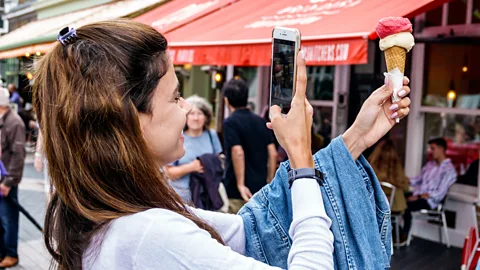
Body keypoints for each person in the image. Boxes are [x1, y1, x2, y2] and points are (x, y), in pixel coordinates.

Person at [33, 20, 410, 270]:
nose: (186, 111)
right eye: (175, 98)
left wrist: (356, 137)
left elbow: (250, 228)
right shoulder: (149, 235)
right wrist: (301, 161)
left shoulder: (114, 215)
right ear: (132, 118)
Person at [222, 79, 278, 213]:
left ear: (226, 100)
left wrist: (240, 184)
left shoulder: (230, 122)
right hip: (260, 188)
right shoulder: (261, 121)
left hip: (237, 192)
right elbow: (273, 153)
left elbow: (238, 152)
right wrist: (269, 181)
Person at [164, 95, 223, 205]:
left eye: (200, 113)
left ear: (206, 117)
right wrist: (191, 167)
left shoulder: (211, 135)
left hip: (206, 198)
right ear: (185, 117)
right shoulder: (177, 137)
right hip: (180, 200)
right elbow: (167, 173)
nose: (196, 118)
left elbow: (217, 163)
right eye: (192, 114)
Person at [402, 137, 457, 240]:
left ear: (441, 149)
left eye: (433, 148)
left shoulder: (449, 170)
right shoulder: (429, 165)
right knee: (398, 199)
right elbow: (417, 180)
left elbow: (439, 193)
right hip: (417, 195)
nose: (430, 152)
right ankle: (393, 231)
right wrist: (402, 179)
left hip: (430, 201)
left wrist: (418, 197)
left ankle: (404, 235)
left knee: (406, 205)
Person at [0, 87, 26, 268]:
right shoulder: (3, 121)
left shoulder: (14, 123)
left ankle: (11, 254)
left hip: (7, 181)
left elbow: (18, 155)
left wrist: (8, 182)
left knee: (8, 218)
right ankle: (2, 252)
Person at [368, 139, 410, 213]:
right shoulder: (398, 169)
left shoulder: (370, 169)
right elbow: (406, 188)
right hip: (395, 207)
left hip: (374, 206)